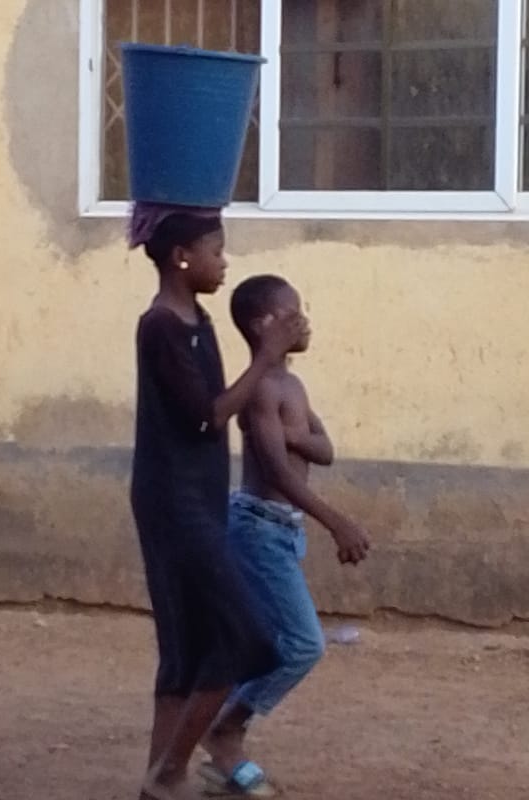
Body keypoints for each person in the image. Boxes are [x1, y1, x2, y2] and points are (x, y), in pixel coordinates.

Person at [129, 206, 305, 800]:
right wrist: (264, 355)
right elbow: (207, 416)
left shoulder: (196, 317)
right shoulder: (161, 327)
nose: (223, 261)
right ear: (183, 257)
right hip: (173, 504)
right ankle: (176, 768)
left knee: (183, 652)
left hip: (198, 500)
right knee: (243, 638)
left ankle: (156, 784)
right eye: (215, 250)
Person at [200, 274, 370, 797]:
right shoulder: (262, 390)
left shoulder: (291, 385)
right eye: (291, 312)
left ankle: (216, 745)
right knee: (301, 644)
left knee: (269, 642)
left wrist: (293, 432)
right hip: (256, 528)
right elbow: (276, 470)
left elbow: (325, 448)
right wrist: (336, 520)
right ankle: (223, 732)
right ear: (262, 325)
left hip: (279, 532)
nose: (303, 321)